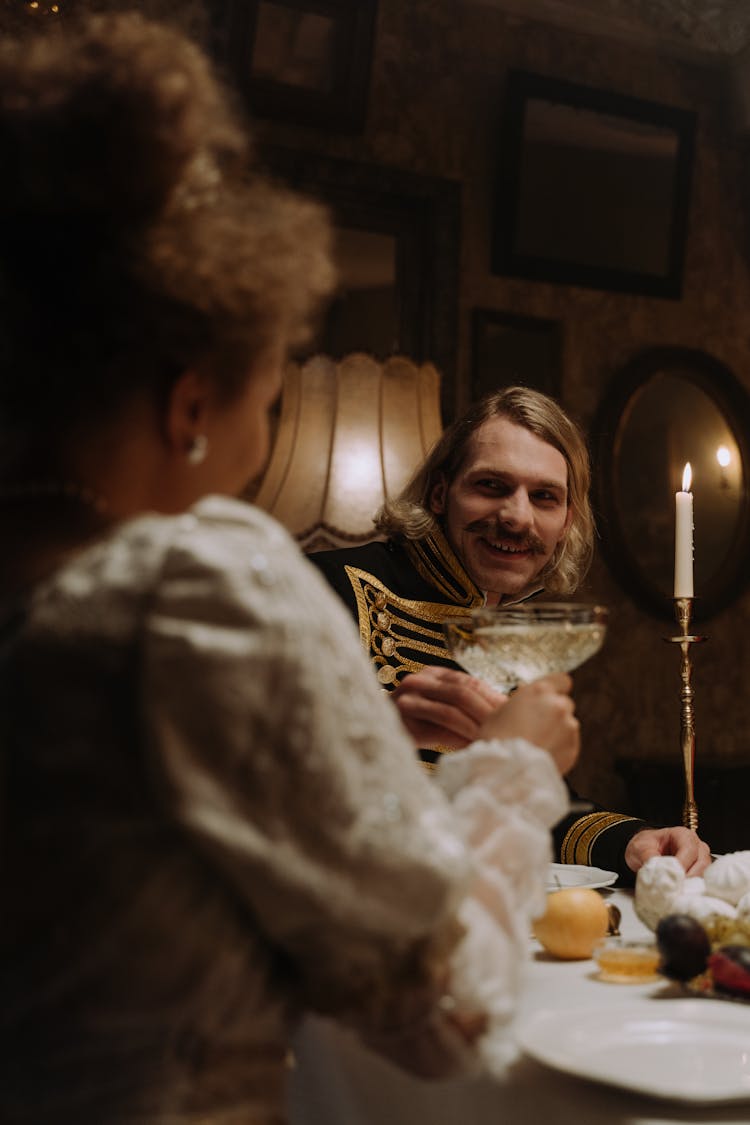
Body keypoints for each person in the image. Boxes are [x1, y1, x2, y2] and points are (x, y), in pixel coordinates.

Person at [0, 15, 581, 1125]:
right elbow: (447, 1013)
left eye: (546, 496)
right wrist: (514, 769)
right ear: (189, 406)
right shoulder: (198, 592)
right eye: (266, 401)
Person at [310, 387, 712, 883]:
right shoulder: (320, 589)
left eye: (544, 496)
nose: (517, 517)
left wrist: (633, 841)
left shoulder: (509, 634)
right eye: (492, 486)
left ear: (566, 521)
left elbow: (542, 807)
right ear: (440, 493)